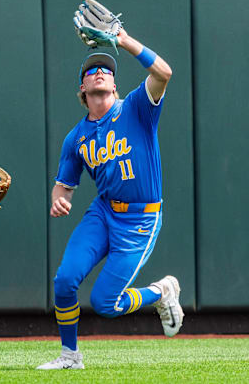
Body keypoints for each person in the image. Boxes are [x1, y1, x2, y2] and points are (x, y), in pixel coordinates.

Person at [37, 29, 184, 370]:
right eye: (91, 71)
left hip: (140, 219)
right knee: (64, 280)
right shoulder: (76, 137)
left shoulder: (136, 107)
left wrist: (123, 40)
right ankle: (70, 356)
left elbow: (164, 72)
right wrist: (59, 199)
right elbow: (64, 185)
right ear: (82, 90)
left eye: (106, 70)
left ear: (115, 86)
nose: (99, 72)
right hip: (103, 213)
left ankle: (160, 292)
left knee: (105, 302)